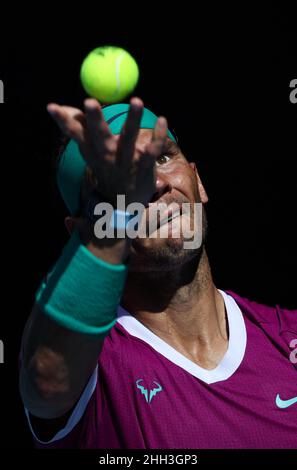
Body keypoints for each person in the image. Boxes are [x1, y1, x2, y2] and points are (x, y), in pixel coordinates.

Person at [19, 97, 297, 449]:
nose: (153, 183)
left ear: (198, 181)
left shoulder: (287, 337)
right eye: (116, 181)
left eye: (163, 157)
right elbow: (44, 384)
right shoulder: (91, 364)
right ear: (84, 231)